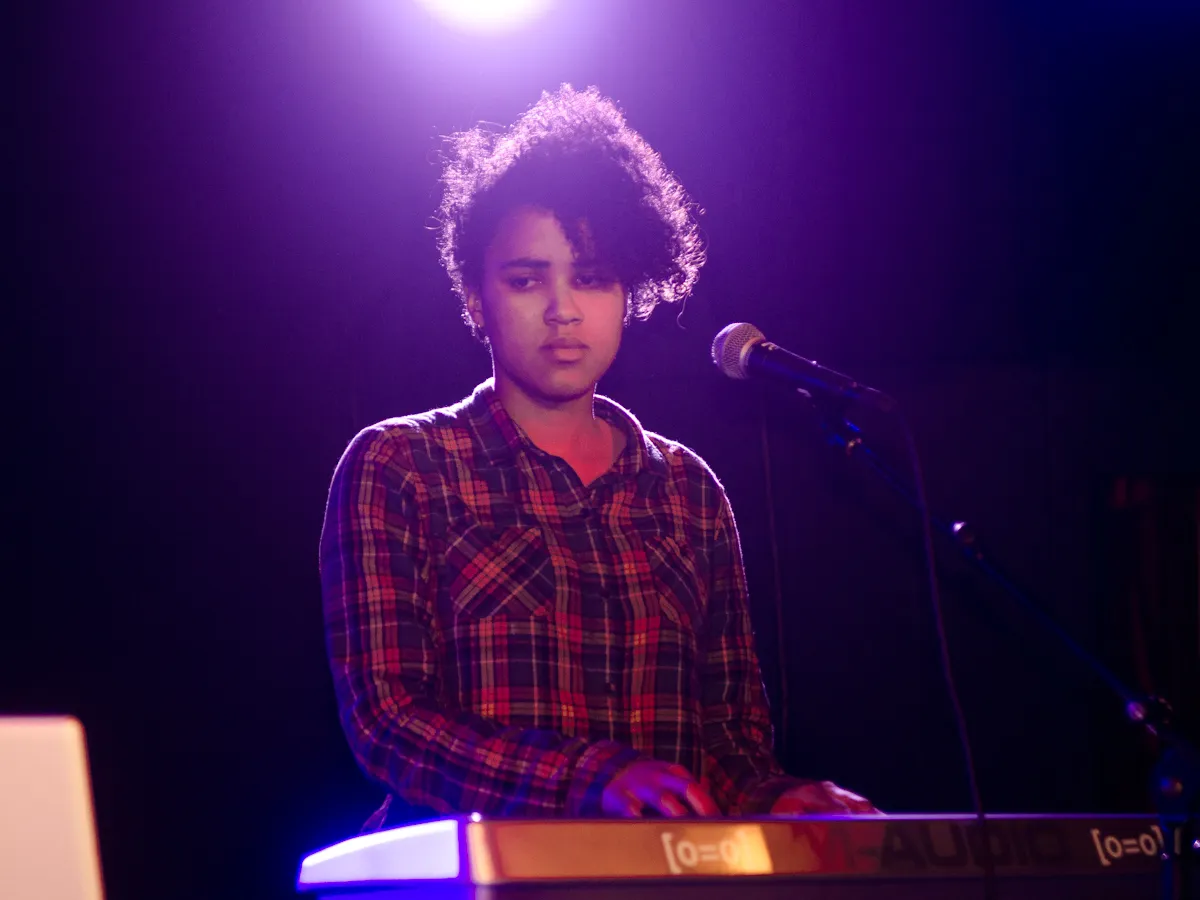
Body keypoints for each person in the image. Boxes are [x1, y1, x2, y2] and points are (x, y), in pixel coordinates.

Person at [320, 85, 873, 822]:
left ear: (628, 294)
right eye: (527, 280)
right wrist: (588, 778)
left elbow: (729, 744)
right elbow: (389, 722)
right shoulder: (401, 465)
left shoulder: (688, 490)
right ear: (477, 297)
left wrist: (782, 798)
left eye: (591, 278)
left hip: (666, 872)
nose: (563, 310)